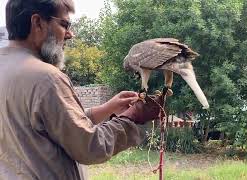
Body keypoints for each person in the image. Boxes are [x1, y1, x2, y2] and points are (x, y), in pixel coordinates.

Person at [0, 0, 164, 179]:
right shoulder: (46, 78)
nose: (70, 34)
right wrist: (133, 117)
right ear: (37, 22)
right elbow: (90, 147)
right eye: (64, 24)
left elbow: (49, 124)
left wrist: (107, 108)